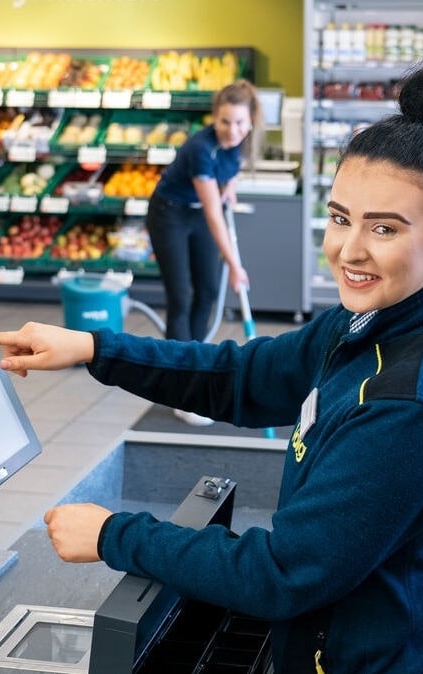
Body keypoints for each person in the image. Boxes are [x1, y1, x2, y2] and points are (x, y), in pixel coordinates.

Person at [0, 56, 423, 674]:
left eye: (384, 229)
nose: (348, 251)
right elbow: (244, 377)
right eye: (339, 218)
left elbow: (282, 573)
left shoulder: (411, 405)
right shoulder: (373, 320)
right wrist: (94, 348)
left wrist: (114, 535)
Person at [145, 78, 260, 426]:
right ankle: (180, 388)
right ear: (214, 118)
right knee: (182, 296)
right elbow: (213, 213)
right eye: (225, 121)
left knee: (208, 291)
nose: (232, 130)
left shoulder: (242, 144)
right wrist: (235, 265)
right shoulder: (200, 148)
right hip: (170, 214)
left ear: (251, 121)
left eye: (240, 122)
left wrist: (230, 187)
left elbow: (229, 173)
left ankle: (194, 368)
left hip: (196, 212)